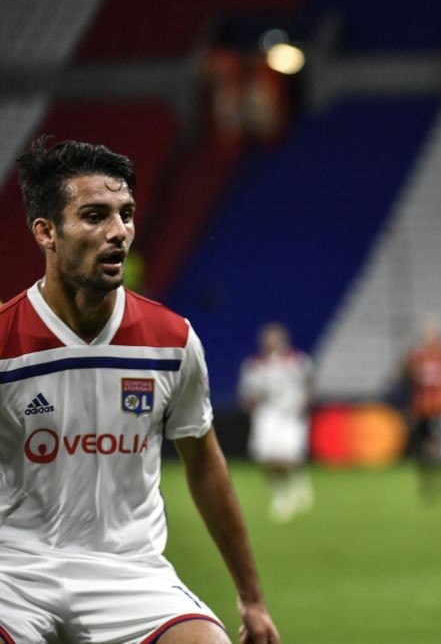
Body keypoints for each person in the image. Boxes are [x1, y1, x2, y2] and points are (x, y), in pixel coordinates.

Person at [0, 138, 279, 643]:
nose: (118, 233)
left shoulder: (172, 341)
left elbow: (204, 464)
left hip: (129, 572)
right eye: (93, 216)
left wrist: (252, 598)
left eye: (125, 214)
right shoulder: (4, 341)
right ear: (46, 232)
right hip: (13, 572)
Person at [238, 322, 315, 522]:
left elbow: (309, 383)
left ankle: (292, 490)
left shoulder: (297, 361)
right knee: (266, 457)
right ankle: (281, 493)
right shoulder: (254, 364)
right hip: (267, 414)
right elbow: (248, 392)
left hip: (290, 413)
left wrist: (304, 403)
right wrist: (252, 408)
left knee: (288, 456)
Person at [403, 314, 441, 498]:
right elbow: (412, 381)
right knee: (425, 447)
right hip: (424, 408)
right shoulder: (418, 356)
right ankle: (428, 483)